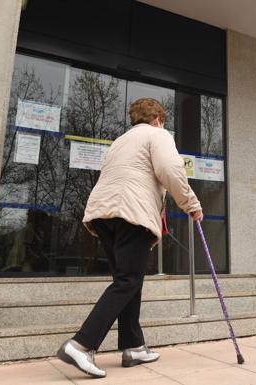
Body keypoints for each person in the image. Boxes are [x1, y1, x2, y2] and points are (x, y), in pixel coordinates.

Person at [56, 98, 202, 378]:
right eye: (163, 120)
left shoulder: (120, 141)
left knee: (127, 280)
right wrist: (191, 204)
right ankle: (81, 344)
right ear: (158, 118)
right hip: (131, 212)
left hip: (104, 215)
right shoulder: (157, 134)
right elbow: (170, 170)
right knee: (128, 281)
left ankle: (134, 347)